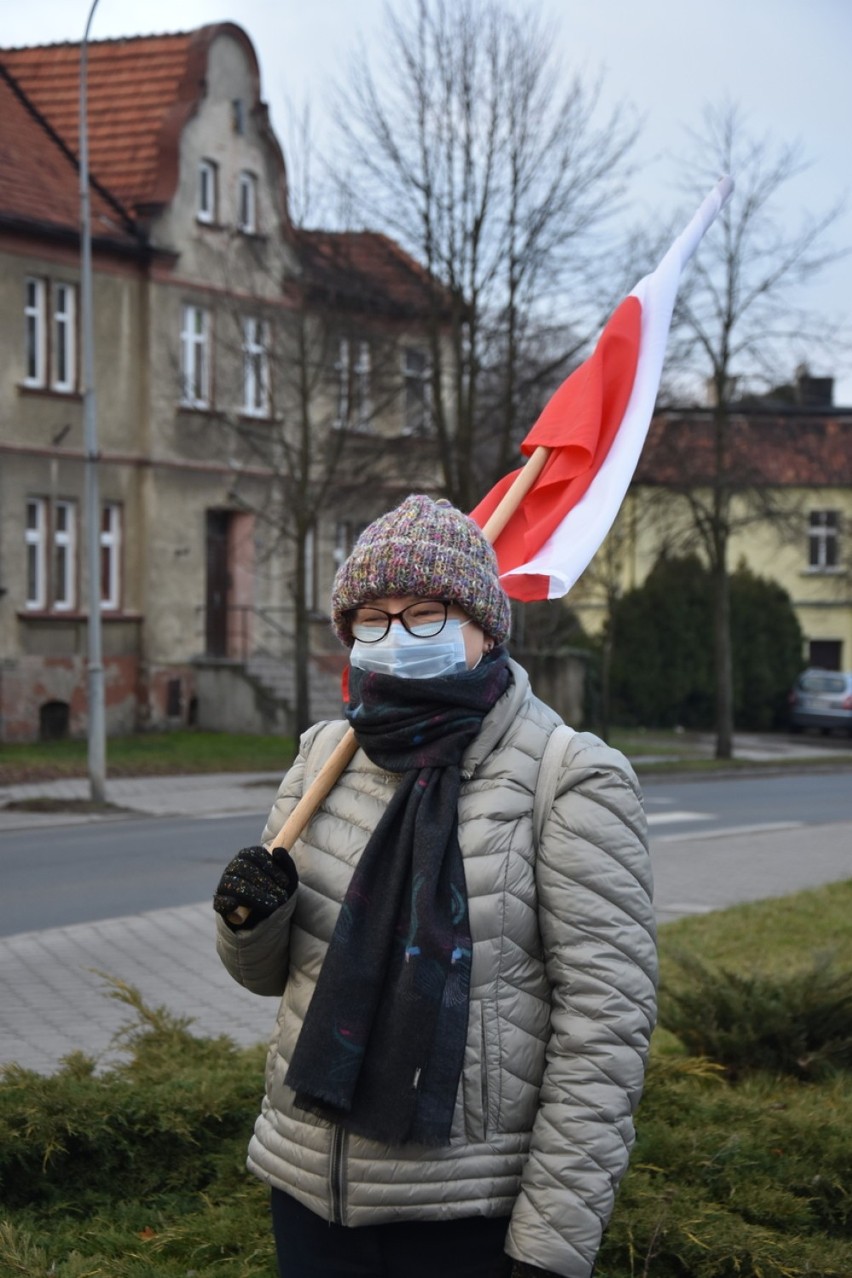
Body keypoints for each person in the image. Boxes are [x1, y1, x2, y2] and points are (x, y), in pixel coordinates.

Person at [214, 494, 657, 1278]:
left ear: (485, 626)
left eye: (424, 614)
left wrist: (551, 1247)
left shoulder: (570, 776)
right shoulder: (325, 757)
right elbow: (267, 982)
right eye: (373, 619)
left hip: (464, 1216)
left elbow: (606, 1024)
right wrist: (248, 920)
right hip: (313, 1194)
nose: (396, 638)